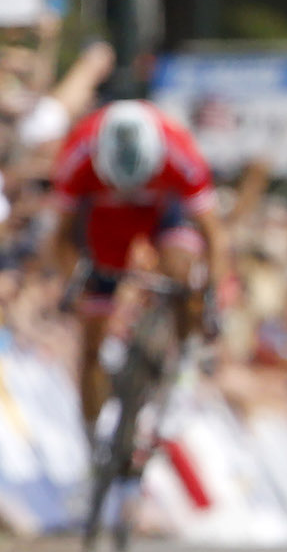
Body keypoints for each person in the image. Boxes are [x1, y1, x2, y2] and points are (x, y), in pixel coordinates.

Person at [46, 100, 229, 427]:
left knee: (184, 272)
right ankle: (92, 434)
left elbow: (214, 236)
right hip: (105, 222)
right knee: (91, 341)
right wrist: (74, 280)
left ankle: (182, 365)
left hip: (163, 214)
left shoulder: (180, 151)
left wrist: (207, 293)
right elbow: (60, 236)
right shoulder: (77, 154)